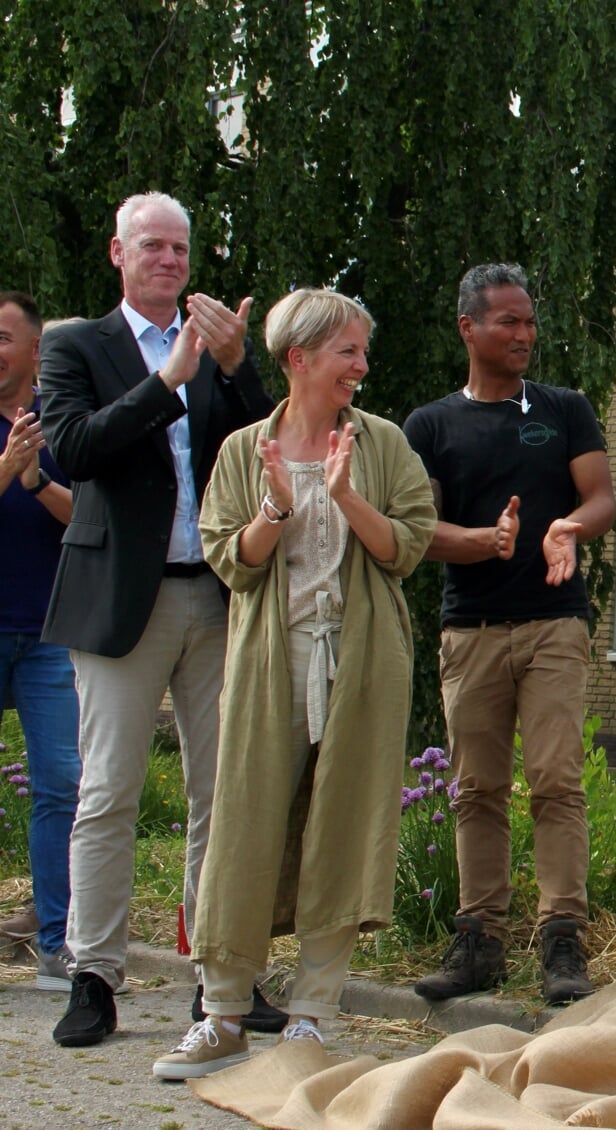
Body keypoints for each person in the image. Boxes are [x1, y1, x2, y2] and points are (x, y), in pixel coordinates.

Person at [151, 287, 436, 1079]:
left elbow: (406, 546)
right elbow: (230, 560)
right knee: (244, 824)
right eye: (349, 351)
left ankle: (312, 1015)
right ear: (299, 357)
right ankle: (224, 1014)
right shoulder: (246, 449)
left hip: (361, 660)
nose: (362, 366)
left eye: (363, 351)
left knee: (342, 826)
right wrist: (276, 507)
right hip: (269, 661)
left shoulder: (379, 444)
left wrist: (345, 496)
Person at [37, 192, 283, 1047]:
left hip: (215, 594)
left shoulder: (214, 347)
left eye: (181, 248)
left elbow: (263, 448)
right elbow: (73, 447)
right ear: (118, 252)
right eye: (154, 246)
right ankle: (95, 978)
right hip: (119, 601)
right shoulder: (77, 345)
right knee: (108, 794)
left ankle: (220, 979)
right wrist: (167, 381)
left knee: (223, 796)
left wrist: (237, 363)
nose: (171, 261)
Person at [404, 263, 615, 1006]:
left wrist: (567, 527)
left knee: (557, 781)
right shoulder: (430, 426)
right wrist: (479, 541)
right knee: (477, 789)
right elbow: (414, 531)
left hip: (554, 625)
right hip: (472, 632)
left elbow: (601, 497)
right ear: (469, 328)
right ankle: (479, 941)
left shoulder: (563, 409)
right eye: (508, 322)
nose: (524, 334)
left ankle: (563, 940)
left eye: (529, 321)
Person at [0, 293, 80, 993]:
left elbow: (86, 516)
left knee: (61, 783)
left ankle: (56, 943)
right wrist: (5, 470)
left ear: (33, 352)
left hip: (49, 632)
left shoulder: (62, 425)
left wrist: (35, 476)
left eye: (4, 337)